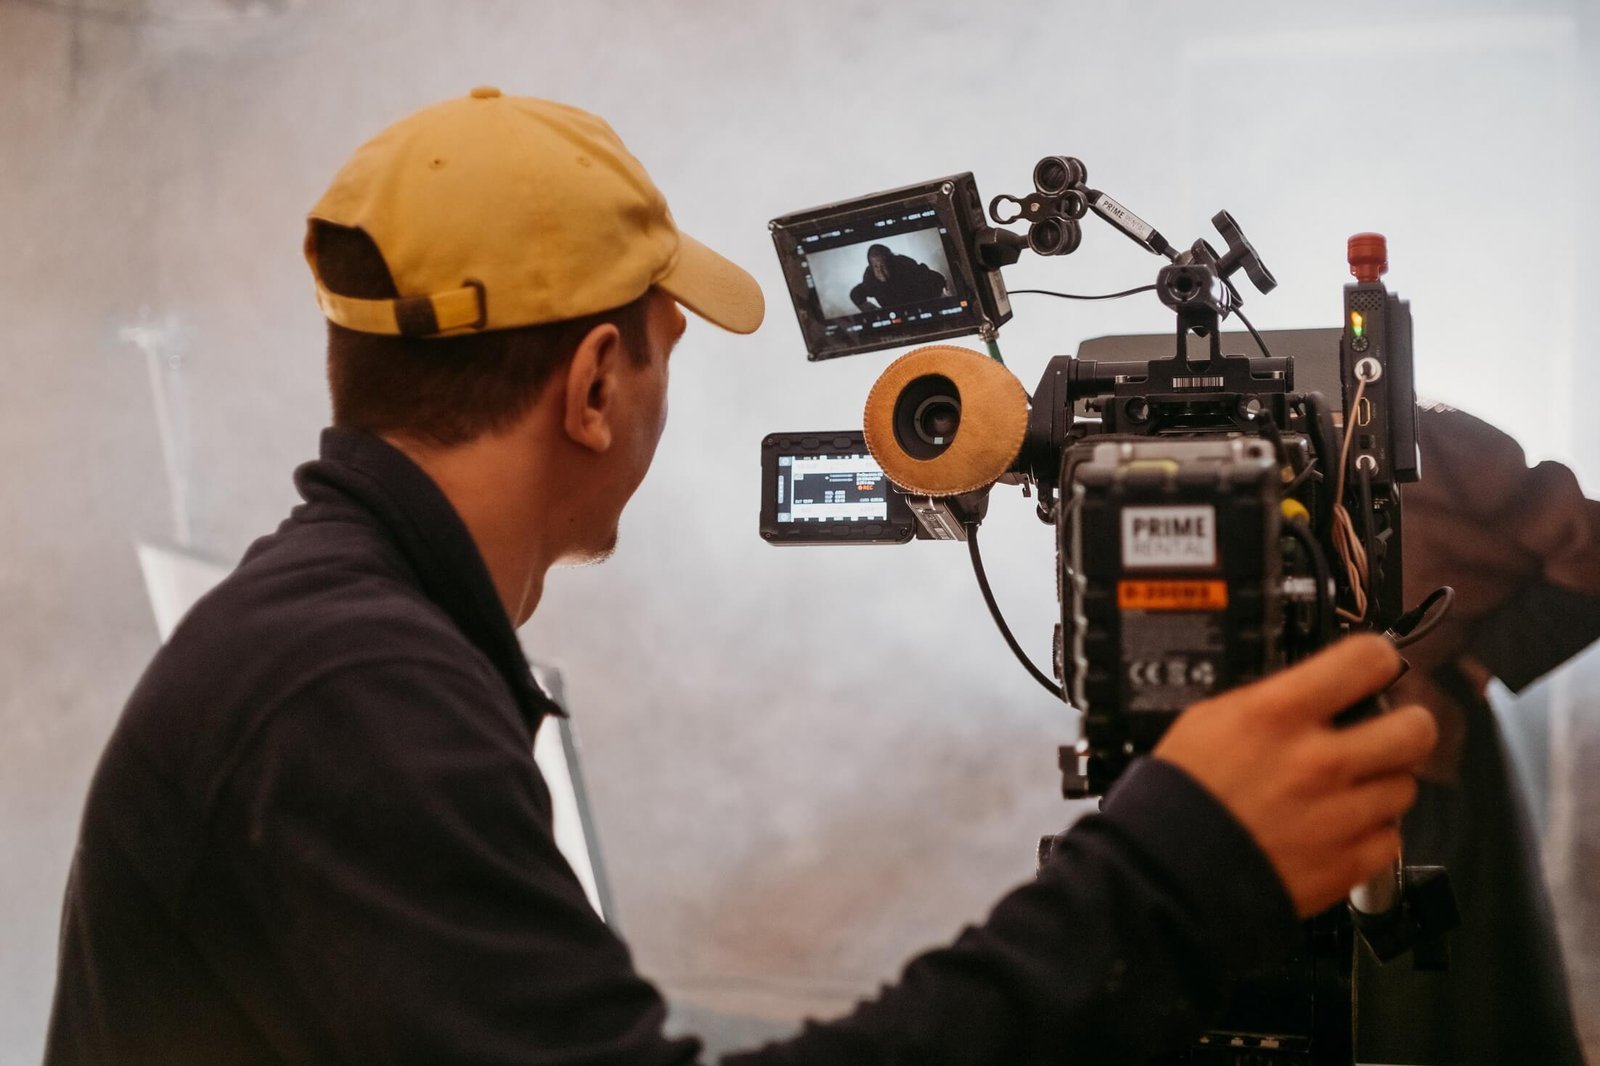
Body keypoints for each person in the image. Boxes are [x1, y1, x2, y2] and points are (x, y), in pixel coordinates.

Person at [46, 89, 1436, 1064]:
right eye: (666, 353)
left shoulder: (331, 638)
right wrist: (1171, 871)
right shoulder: (353, 695)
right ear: (596, 383)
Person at [848, 243, 948, 312]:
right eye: (876, 266)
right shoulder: (870, 280)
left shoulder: (906, 267)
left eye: (883, 265)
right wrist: (874, 311)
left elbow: (934, 278)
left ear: (890, 263)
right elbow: (856, 294)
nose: (880, 271)